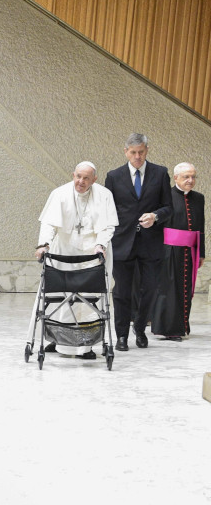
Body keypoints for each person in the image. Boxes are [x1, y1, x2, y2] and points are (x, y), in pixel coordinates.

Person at [32, 162, 118, 358]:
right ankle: (57, 339)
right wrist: (43, 244)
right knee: (59, 297)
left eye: (86, 178)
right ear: (73, 175)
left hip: (93, 253)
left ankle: (84, 346)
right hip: (64, 249)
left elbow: (107, 227)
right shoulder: (59, 193)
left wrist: (101, 245)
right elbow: (48, 223)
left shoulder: (105, 195)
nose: (81, 181)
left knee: (87, 300)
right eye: (78, 176)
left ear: (94, 180)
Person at [103, 133, 173, 351]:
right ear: (126, 152)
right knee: (122, 292)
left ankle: (140, 329)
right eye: (133, 152)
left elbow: (169, 207)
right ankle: (122, 335)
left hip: (151, 242)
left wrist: (155, 216)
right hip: (122, 242)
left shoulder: (160, 173)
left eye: (141, 152)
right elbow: (107, 211)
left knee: (149, 289)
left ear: (147, 150)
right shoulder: (113, 176)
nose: (137, 156)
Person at [151, 163, 205, 340]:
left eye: (193, 177)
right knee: (170, 289)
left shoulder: (199, 198)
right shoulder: (165, 196)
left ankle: (182, 326)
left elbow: (200, 227)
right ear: (176, 178)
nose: (190, 180)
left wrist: (201, 252)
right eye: (186, 177)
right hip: (169, 250)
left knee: (186, 289)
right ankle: (169, 329)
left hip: (190, 251)